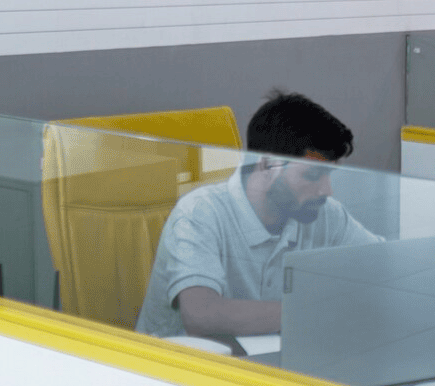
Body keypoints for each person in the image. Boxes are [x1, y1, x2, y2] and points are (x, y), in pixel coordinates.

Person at [135, 90, 380, 340]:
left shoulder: (324, 212)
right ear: (267, 165)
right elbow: (202, 316)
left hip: (269, 357)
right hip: (177, 362)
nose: (326, 190)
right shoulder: (199, 213)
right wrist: (313, 310)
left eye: (329, 175)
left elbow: (387, 267)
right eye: (312, 175)